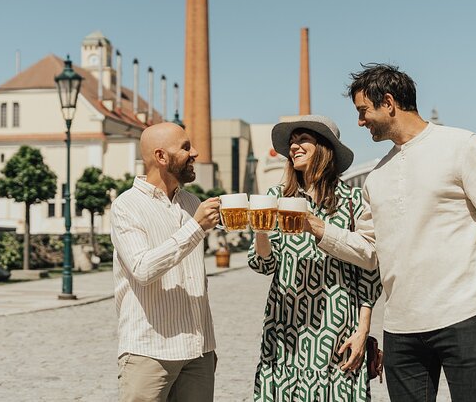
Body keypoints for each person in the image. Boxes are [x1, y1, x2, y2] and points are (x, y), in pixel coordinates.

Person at [304, 64, 476, 402]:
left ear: (389, 102)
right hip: (401, 330)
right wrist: (317, 227)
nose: (360, 121)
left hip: (463, 317)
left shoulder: (462, 146)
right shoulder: (376, 177)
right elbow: (369, 252)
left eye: (363, 111)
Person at [248, 114, 382, 401]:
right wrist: (260, 232)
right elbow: (263, 264)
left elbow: (370, 274)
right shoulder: (275, 197)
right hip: (284, 328)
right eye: (292, 143)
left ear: (324, 148)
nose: (293, 147)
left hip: (337, 328)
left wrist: (363, 331)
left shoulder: (352, 200)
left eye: (302, 141)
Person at [110, 122, 222, 402]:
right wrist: (196, 228)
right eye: (185, 147)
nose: (195, 152)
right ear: (161, 157)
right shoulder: (126, 206)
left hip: (199, 350)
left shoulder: (192, 202)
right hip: (150, 352)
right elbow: (143, 269)